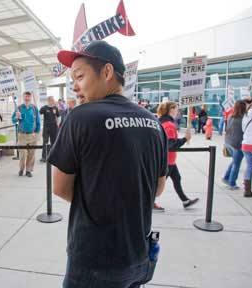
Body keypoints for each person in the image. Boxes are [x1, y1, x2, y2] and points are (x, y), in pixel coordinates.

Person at [49, 40, 168, 287]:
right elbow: (157, 188)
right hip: (139, 254)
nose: (75, 87)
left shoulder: (80, 117)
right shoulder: (153, 123)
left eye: (79, 76)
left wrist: (100, 202)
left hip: (94, 259)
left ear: (106, 72)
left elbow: (60, 188)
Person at [157, 102, 199, 210]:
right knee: (158, 184)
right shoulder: (170, 125)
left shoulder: (163, 122)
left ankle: (185, 200)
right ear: (171, 110)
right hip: (168, 160)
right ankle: (148, 201)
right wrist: (185, 139)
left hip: (166, 159)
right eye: (176, 109)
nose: (178, 112)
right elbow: (171, 145)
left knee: (176, 178)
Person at [12, 92, 41, 177]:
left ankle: (28, 171)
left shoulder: (35, 108)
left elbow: (38, 122)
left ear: (31, 97)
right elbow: (13, 120)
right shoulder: (19, 108)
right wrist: (16, 117)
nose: (27, 98)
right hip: (22, 135)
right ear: (23, 97)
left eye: (29, 96)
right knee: (23, 154)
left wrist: (37, 133)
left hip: (32, 135)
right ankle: (21, 169)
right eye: (26, 96)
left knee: (31, 154)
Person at [222, 101, 247, 190]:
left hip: (229, 142)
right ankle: (231, 183)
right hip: (238, 144)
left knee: (234, 161)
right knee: (236, 164)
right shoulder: (243, 119)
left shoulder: (230, 116)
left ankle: (226, 178)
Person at [39, 96, 60, 162]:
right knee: (45, 142)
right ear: (49, 101)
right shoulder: (44, 108)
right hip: (46, 128)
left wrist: (58, 124)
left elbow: (58, 116)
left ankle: (53, 157)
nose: (53, 101)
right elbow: (39, 113)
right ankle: (44, 157)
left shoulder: (55, 108)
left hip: (54, 128)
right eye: (52, 100)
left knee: (54, 142)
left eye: (53, 100)